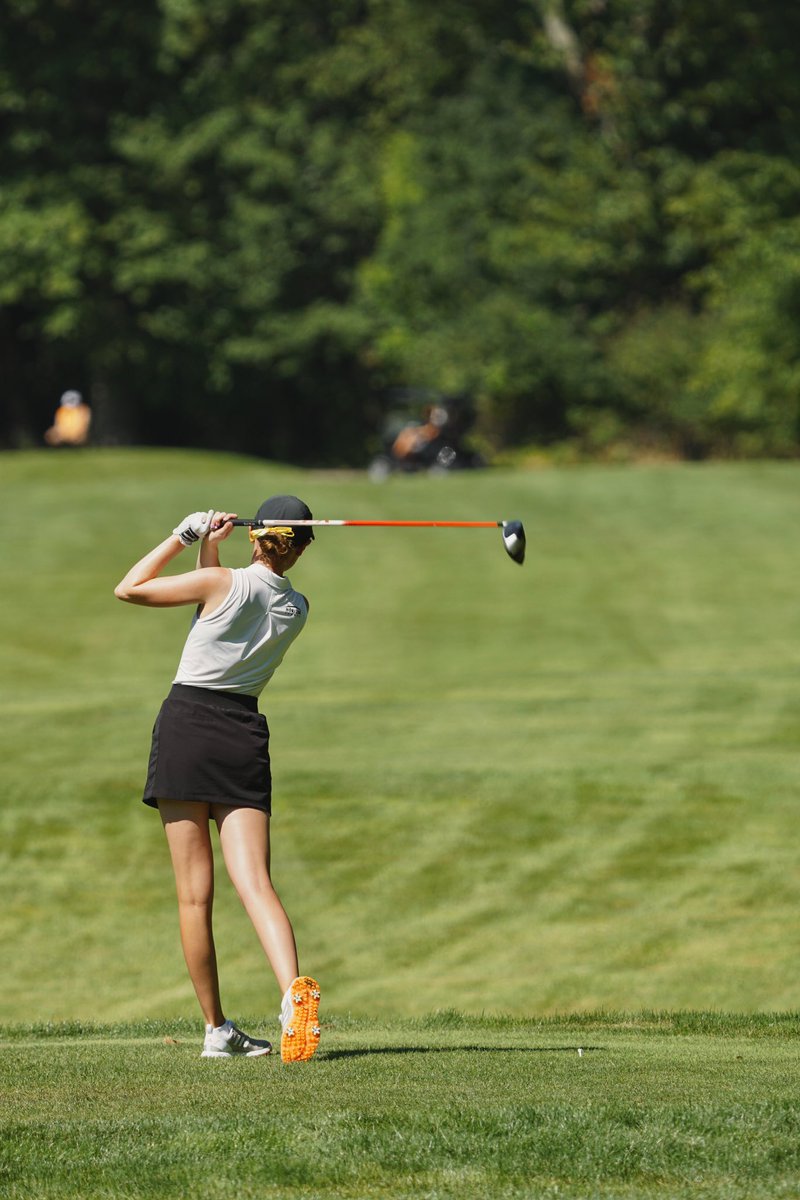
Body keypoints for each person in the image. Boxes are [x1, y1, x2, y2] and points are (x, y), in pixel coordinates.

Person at [114, 494, 321, 1062]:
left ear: (257, 537)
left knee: (194, 896)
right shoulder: (297, 607)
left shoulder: (222, 583)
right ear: (299, 549)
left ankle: (216, 1029)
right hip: (243, 732)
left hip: (187, 726)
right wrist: (214, 550)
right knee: (255, 882)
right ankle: (290, 997)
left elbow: (130, 589)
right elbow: (219, 603)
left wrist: (184, 536)